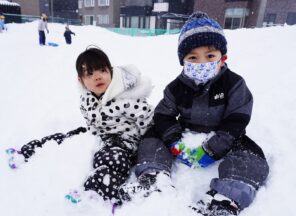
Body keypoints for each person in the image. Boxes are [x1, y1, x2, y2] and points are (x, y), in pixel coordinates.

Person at [119, 12, 269, 216]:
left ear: (222, 58)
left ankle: (227, 197)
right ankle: (153, 177)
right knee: (152, 136)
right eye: (192, 57)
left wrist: (214, 147)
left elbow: (238, 117)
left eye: (209, 56)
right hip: (186, 132)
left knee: (250, 155)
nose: (201, 63)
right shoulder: (176, 87)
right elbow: (164, 115)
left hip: (224, 136)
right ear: (183, 61)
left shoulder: (234, 84)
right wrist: (173, 142)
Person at [6, 47, 154, 205]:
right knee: (65, 137)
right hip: (99, 134)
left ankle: (96, 192)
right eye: (89, 74)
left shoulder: (128, 99)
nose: (97, 77)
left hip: (124, 140)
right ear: (81, 80)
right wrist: (90, 136)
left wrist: (143, 145)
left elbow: (147, 119)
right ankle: (28, 151)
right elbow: (88, 119)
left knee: (112, 159)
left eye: (102, 70)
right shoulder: (86, 100)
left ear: (110, 72)